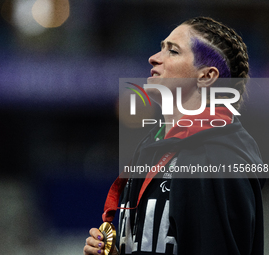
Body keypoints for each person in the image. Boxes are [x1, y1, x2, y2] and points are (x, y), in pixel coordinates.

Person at [83, 17, 266, 255]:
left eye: (173, 51)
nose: (154, 57)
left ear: (206, 76)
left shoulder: (216, 157)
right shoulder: (152, 148)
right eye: (161, 47)